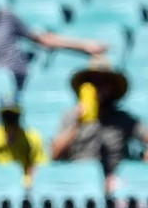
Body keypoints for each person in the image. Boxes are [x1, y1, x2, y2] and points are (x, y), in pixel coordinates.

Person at [51, 57, 148, 193]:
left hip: (116, 186)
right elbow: (55, 154)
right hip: (79, 185)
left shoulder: (123, 118)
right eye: (93, 82)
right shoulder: (71, 117)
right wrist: (77, 124)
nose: (98, 88)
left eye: (103, 83)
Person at [0, 94, 48, 187]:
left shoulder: (32, 138)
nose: (10, 120)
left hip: (26, 189)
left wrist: (27, 182)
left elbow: (41, 167)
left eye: (13, 116)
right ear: (0, 117)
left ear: (20, 116)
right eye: (6, 116)